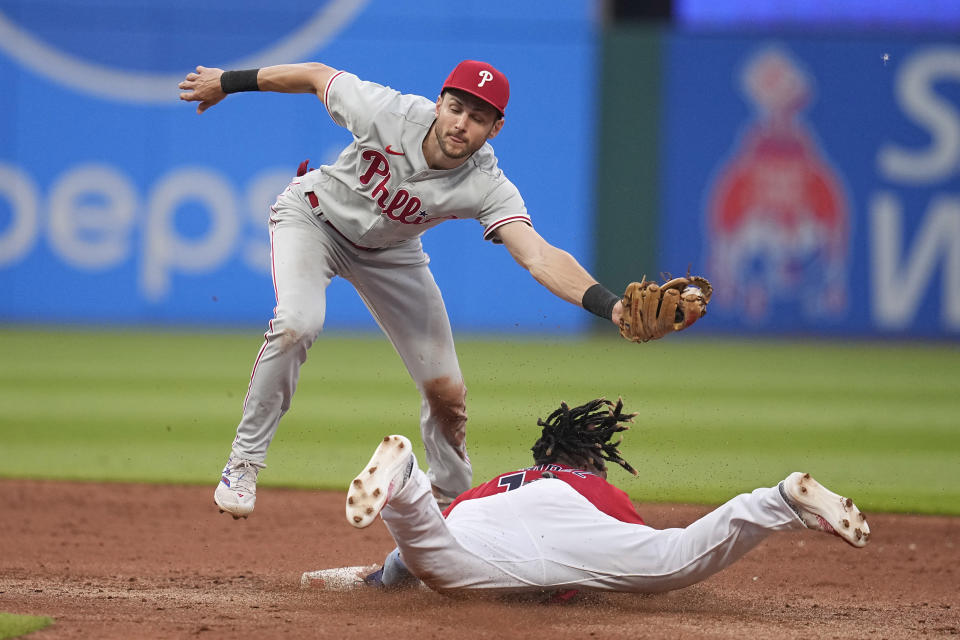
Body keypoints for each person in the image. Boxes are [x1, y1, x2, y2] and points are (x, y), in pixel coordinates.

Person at [178, 60, 631, 517]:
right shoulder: (386, 113)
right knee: (297, 322)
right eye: (456, 108)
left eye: (478, 118)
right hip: (313, 220)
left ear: (495, 128)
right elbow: (316, 75)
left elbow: (538, 255)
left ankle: (451, 502)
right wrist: (228, 83)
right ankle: (244, 463)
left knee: (447, 392)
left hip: (391, 254)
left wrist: (612, 308)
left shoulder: (487, 184)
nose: (461, 124)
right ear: (439, 103)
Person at [318, 397, 870, 594]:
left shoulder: (499, 484)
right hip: (570, 534)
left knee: (432, 553)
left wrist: (381, 581)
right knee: (673, 560)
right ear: (589, 458)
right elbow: (641, 547)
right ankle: (778, 500)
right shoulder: (592, 487)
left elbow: (409, 560)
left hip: (475, 525)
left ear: (542, 455)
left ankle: (407, 479)